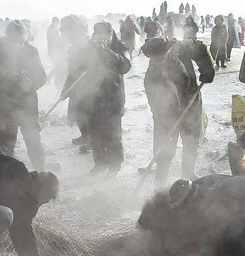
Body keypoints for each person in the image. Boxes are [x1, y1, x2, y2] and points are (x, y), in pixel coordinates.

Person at [142, 36, 214, 188]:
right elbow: (156, 106)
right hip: (167, 113)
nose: (160, 59)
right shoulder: (151, 77)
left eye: (162, 55)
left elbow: (200, 47)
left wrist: (207, 69)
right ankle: (160, 182)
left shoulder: (182, 48)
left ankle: (188, 173)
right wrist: (165, 127)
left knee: (191, 140)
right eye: (156, 57)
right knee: (164, 145)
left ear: (168, 49)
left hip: (191, 102)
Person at [0, 20, 46, 171]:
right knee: (6, 142)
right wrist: (3, 75)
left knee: (33, 140)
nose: (18, 45)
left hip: (27, 105)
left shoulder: (31, 51)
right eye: (14, 41)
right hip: (5, 106)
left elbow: (42, 77)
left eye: (21, 41)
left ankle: (41, 172)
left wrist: (31, 83)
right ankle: (4, 178)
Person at [82, 22, 131, 175]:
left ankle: (115, 165)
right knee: (95, 134)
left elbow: (125, 67)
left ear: (111, 34)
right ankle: (100, 163)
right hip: (93, 98)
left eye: (107, 35)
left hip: (113, 99)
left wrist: (106, 52)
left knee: (113, 134)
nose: (103, 38)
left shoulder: (120, 47)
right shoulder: (89, 48)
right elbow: (77, 69)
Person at [59, 15, 90, 147]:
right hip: (76, 87)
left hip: (91, 88)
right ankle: (85, 136)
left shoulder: (90, 45)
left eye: (68, 33)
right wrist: (65, 89)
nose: (67, 38)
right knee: (78, 114)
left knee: (89, 114)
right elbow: (71, 73)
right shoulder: (73, 49)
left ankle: (92, 141)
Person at [47, 17, 66, 89]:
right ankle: (50, 79)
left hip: (54, 51)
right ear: (54, 22)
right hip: (54, 51)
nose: (58, 24)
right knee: (58, 66)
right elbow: (55, 40)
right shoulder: (52, 30)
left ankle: (51, 80)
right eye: (57, 22)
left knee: (57, 66)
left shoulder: (53, 29)